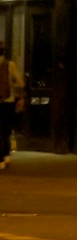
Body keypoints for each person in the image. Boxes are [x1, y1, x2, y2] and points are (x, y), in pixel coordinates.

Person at [0, 39, 25, 170]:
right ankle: (6, 156)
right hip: (8, 101)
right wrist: (12, 87)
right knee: (6, 129)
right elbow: (21, 83)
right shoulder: (10, 65)